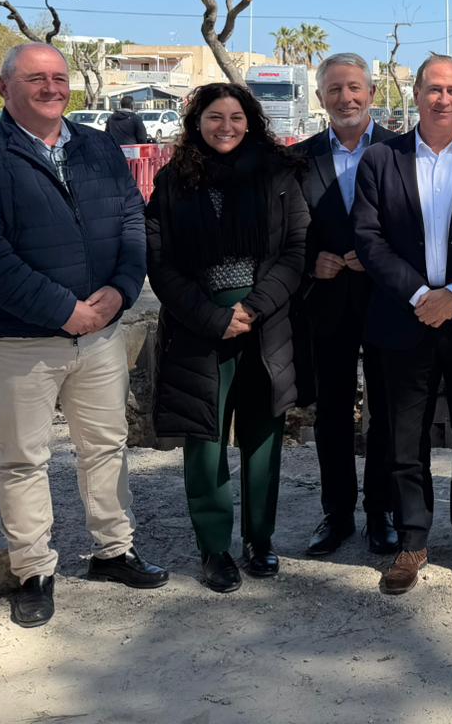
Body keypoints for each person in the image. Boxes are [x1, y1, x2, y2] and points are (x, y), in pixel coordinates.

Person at [0, 42, 168, 628]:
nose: (51, 88)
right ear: (5, 88)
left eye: (59, 78)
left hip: (99, 333)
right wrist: (62, 311)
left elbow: (129, 222)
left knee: (106, 446)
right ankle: (33, 570)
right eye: (36, 79)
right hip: (21, 339)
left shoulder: (96, 147)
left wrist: (120, 290)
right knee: (22, 459)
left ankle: (113, 550)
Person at [352, 54, 452, 592]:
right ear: (416, 94)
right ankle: (412, 539)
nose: (442, 98)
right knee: (404, 440)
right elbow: (369, 239)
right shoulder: (381, 159)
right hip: (404, 321)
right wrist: (423, 294)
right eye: (432, 89)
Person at [147, 83, 308, 593]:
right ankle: (214, 547)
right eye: (215, 117)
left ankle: (260, 540)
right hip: (200, 329)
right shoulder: (174, 181)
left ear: (250, 121)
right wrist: (212, 317)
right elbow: (159, 261)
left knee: (263, 438)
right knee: (206, 442)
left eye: (236, 117)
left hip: (267, 325)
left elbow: (297, 249)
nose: (226, 127)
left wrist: (255, 306)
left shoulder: (279, 175)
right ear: (197, 122)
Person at [294, 54, 398, 558]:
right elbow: (287, 232)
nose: (346, 98)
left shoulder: (402, 152)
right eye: (334, 90)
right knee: (331, 412)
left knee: (386, 410)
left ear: (372, 94)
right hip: (328, 302)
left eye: (354, 88)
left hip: (386, 301)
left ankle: (381, 512)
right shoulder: (299, 158)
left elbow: (419, 226)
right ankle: (336, 513)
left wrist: (383, 258)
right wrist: (314, 260)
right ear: (320, 99)